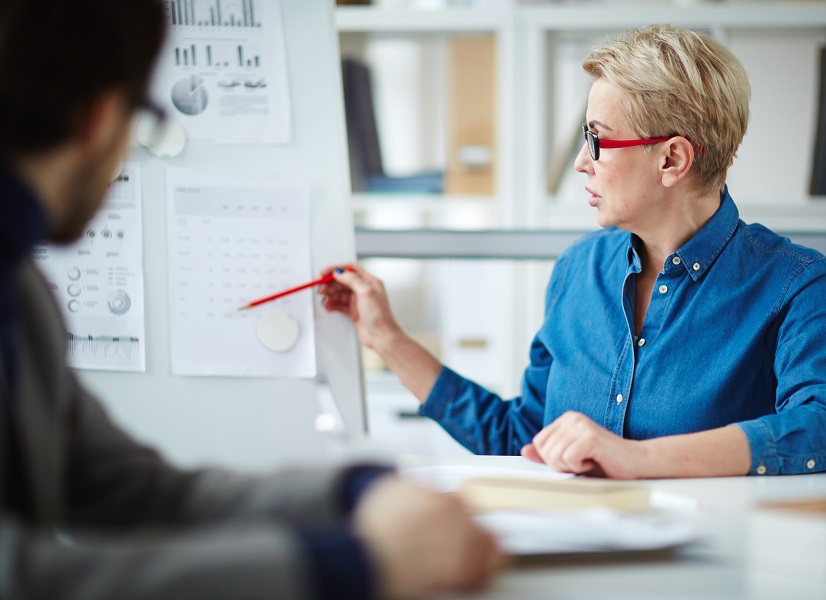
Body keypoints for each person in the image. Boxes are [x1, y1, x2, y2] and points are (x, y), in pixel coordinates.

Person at [0, 1, 503, 598]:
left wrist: (353, 490)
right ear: (101, 119)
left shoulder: (22, 295)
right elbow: (24, 577)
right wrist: (352, 564)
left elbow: (136, 488)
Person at [321, 24, 826, 479]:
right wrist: (387, 340)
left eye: (598, 139)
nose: (582, 163)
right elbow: (521, 438)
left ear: (672, 159)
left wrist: (637, 458)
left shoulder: (795, 283)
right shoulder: (577, 271)